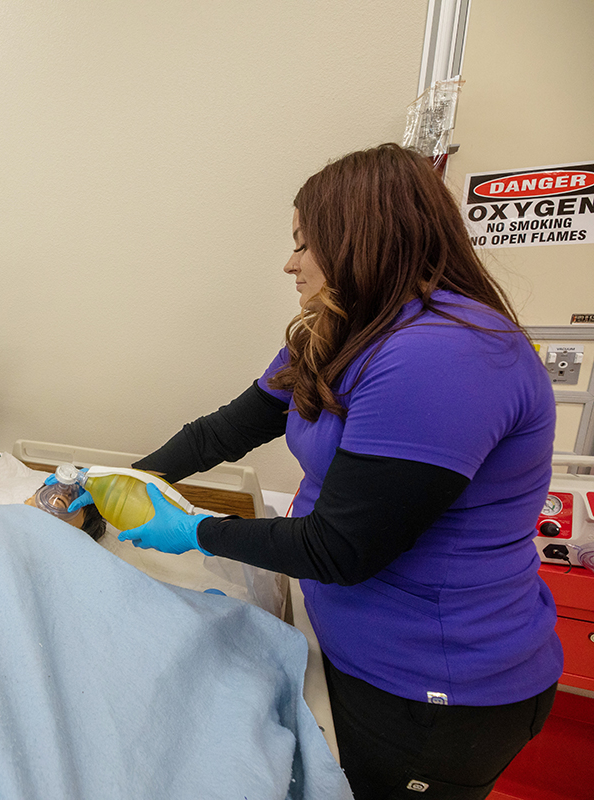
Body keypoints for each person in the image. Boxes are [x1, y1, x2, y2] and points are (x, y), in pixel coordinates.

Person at [106, 144, 561, 799]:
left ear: (360, 240)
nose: (290, 263)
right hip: (354, 646)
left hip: (433, 689)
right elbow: (226, 431)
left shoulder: (443, 356)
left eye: (304, 243)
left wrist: (193, 530)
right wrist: (113, 483)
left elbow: (341, 547)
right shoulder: (342, 331)